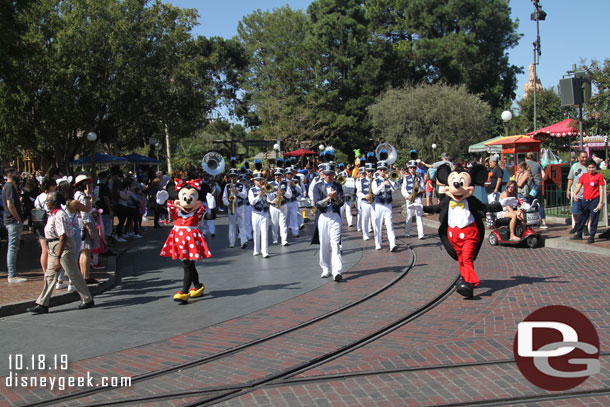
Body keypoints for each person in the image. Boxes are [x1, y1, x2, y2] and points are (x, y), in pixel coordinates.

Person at [26, 191, 94, 314]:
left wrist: (58, 256)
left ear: (55, 202)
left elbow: (63, 237)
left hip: (63, 246)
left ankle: (87, 299)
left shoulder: (60, 215)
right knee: (50, 275)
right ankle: (42, 303)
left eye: (49, 201)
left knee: (73, 273)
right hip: (53, 245)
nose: (46, 203)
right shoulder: (52, 214)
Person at [160, 178, 212, 303]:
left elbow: (210, 216)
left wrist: (211, 205)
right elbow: (167, 208)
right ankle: (198, 286)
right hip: (179, 239)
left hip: (191, 241)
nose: (187, 200)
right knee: (190, 265)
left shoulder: (198, 211)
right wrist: (161, 201)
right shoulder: (175, 210)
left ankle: (184, 292)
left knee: (187, 265)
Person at [311, 162, 344, 281]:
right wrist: (329, 198)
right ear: (322, 174)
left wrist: (335, 198)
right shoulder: (318, 186)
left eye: (330, 174)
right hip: (323, 217)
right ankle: (325, 268)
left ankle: (337, 271)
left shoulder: (338, 186)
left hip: (335, 216)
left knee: (335, 243)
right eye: (326, 174)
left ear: (334, 174)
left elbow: (341, 203)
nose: (328, 176)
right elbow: (317, 204)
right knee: (324, 244)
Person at [570, 159, 606, 244]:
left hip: (594, 200)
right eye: (589, 167)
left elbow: (601, 189)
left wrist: (600, 202)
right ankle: (579, 233)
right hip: (585, 200)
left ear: (595, 167)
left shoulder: (599, 176)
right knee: (582, 217)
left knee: (594, 218)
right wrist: (575, 194)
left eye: (593, 167)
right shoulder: (584, 176)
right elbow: (579, 185)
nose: (591, 169)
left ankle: (592, 235)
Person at [3, 168, 27, 282]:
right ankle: (12, 274)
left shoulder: (8, 187)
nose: (18, 175)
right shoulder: (9, 186)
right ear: (10, 174)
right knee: (12, 247)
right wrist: (18, 219)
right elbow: (10, 205)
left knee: (13, 246)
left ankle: (12, 273)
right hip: (13, 221)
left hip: (12, 220)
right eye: (16, 174)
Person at [371, 155, 399, 251]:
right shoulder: (375, 181)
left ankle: (393, 244)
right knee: (378, 225)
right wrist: (382, 184)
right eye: (381, 170)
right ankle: (378, 243)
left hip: (388, 205)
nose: (383, 172)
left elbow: (395, 189)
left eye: (384, 170)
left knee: (389, 225)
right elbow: (375, 192)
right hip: (379, 205)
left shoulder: (389, 180)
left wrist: (392, 181)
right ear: (378, 171)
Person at [33, 178, 57, 281]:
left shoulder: (38, 198)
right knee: (51, 249)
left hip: (40, 223)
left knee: (44, 251)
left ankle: (45, 273)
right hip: (49, 223)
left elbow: (36, 206)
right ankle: (51, 272)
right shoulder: (50, 197)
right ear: (50, 186)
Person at [248, 161, 271, 258]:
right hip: (256, 213)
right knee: (256, 232)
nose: (260, 181)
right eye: (258, 180)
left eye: (261, 180)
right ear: (254, 181)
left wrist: (267, 193)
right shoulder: (251, 190)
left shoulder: (265, 188)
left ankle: (265, 251)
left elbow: (269, 200)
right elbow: (252, 202)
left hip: (265, 213)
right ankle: (256, 249)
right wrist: (259, 195)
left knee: (264, 233)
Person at [223, 168, 248, 249]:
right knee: (232, 225)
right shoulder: (227, 186)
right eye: (231, 176)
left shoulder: (241, 185)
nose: (233, 178)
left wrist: (237, 192)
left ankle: (243, 241)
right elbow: (224, 198)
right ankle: (232, 242)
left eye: (234, 176)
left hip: (240, 207)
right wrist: (228, 204)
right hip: (232, 207)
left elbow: (245, 195)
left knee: (242, 225)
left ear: (237, 177)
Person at [401, 160, 425, 239]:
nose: (412, 169)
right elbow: (403, 189)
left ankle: (421, 234)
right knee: (409, 215)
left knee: (419, 215)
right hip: (410, 199)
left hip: (417, 198)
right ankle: (407, 232)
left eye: (414, 168)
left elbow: (423, 188)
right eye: (410, 168)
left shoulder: (419, 177)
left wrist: (419, 187)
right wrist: (407, 195)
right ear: (409, 169)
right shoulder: (406, 178)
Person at [269, 167, 292, 246]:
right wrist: (272, 200)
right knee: (274, 223)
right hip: (274, 206)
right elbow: (268, 196)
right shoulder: (270, 184)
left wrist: (283, 192)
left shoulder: (286, 183)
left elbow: (289, 195)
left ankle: (284, 240)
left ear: (282, 176)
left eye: (279, 175)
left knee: (283, 223)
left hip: (283, 205)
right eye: (276, 175)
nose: (277, 176)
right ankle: (275, 239)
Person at [567, 152, 588, 234]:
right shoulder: (574, 166)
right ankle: (577, 224)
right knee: (575, 211)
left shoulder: (588, 166)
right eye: (583, 157)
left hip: (586, 193)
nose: (584, 159)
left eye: (586, 157)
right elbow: (570, 178)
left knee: (586, 211)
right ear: (579, 158)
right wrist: (568, 189)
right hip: (577, 193)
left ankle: (585, 227)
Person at [525, 152, 548, 229]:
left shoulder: (525, 164)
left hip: (530, 186)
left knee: (529, 203)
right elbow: (544, 175)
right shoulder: (538, 164)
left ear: (526, 158)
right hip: (538, 185)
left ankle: (531, 221)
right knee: (540, 203)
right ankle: (544, 222)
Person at [285, 167, 302, 238]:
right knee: (285, 218)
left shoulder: (295, 181)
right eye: (288, 174)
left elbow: (300, 190)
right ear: (285, 174)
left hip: (293, 201)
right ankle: (285, 233)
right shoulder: (283, 181)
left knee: (294, 217)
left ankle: (295, 232)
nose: (289, 175)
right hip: (285, 202)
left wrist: (294, 185)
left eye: (291, 174)